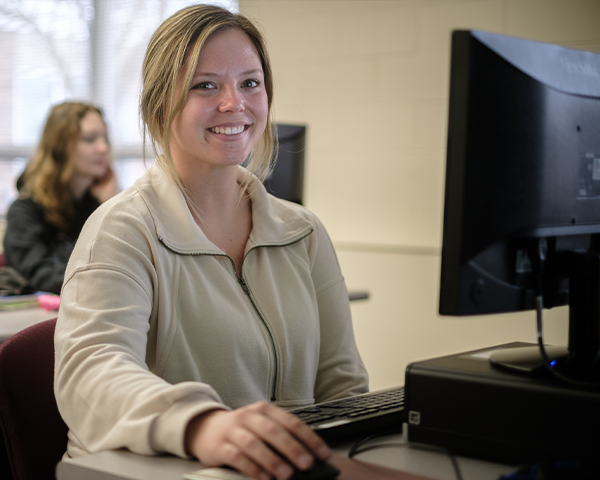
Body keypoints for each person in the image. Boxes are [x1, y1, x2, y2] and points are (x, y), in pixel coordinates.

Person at [54, 5, 368, 480]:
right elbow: (90, 374)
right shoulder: (123, 230)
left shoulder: (303, 232)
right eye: (205, 85)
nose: (234, 103)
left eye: (250, 83)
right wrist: (201, 424)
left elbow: (343, 389)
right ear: (161, 103)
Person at [2, 102, 117, 294]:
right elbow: (41, 275)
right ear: (60, 146)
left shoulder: (97, 206)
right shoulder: (24, 211)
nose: (103, 148)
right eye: (90, 139)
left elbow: (120, 263)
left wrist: (108, 206)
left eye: (105, 138)